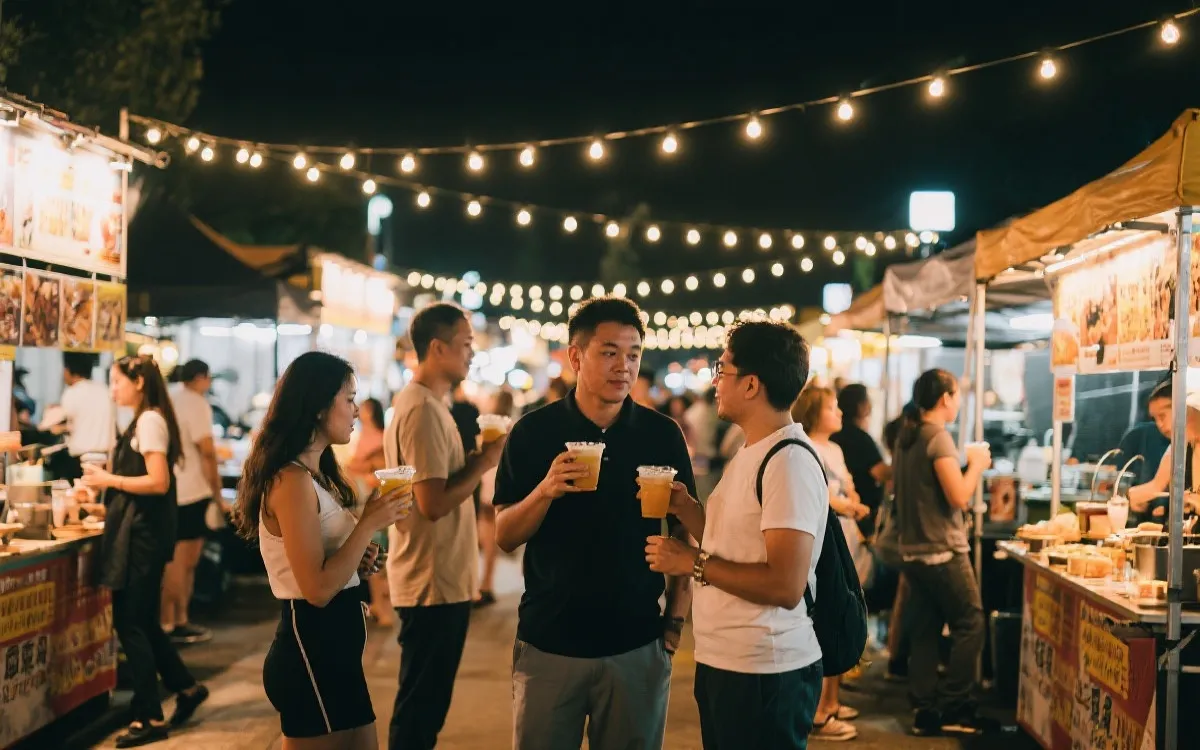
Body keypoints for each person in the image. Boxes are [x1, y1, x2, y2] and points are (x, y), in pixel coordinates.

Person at [494, 297, 695, 750]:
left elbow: (684, 531)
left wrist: (674, 621)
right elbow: (504, 535)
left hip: (637, 644)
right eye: (609, 352)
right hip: (549, 643)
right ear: (575, 356)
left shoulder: (661, 434)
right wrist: (545, 490)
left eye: (633, 354)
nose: (624, 366)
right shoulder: (533, 432)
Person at [644, 320, 827, 749]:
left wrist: (691, 563)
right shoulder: (752, 450)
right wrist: (687, 510)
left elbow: (785, 585)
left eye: (721, 369)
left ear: (751, 385)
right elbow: (734, 544)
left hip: (765, 669)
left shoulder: (788, 462)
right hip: (729, 660)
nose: (715, 381)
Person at [233, 352, 411, 749]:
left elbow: (324, 567)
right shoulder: (291, 480)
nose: (356, 410)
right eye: (349, 399)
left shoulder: (315, 475)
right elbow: (315, 589)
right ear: (317, 407)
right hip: (311, 652)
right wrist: (367, 523)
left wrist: (358, 561)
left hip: (335, 655)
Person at [386, 303, 504, 750]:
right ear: (437, 348)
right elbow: (432, 503)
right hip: (431, 580)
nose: (472, 353)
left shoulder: (430, 405)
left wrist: (472, 461)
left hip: (439, 577)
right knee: (420, 710)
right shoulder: (421, 409)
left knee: (425, 706)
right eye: (466, 344)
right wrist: (484, 463)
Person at [82, 356, 209, 748]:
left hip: (143, 540)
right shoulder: (144, 420)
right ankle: (186, 688)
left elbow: (157, 482)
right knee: (144, 622)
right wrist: (106, 505)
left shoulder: (150, 421)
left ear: (138, 382)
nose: (112, 389)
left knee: (130, 623)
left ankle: (149, 716)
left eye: (116, 381)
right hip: (141, 533)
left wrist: (108, 480)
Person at [893, 369, 993, 736]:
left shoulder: (907, 435)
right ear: (945, 398)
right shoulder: (937, 437)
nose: (959, 402)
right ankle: (955, 705)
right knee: (971, 623)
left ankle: (925, 709)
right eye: (957, 395)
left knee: (924, 630)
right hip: (942, 551)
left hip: (913, 551)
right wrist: (977, 465)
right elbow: (959, 496)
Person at [791, 385, 866, 742]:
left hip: (846, 537)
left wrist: (853, 500)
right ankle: (821, 711)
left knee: (841, 612)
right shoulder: (807, 448)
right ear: (812, 411)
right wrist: (848, 506)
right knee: (828, 616)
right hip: (826, 540)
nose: (839, 413)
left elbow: (848, 486)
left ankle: (832, 702)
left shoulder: (834, 448)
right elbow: (822, 497)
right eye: (831, 407)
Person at [162, 360, 222, 645]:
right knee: (183, 561)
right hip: (192, 491)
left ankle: (176, 620)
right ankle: (172, 621)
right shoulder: (196, 403)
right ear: (201, 378)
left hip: (174, 488)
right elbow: (207, 452)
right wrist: (218, 494)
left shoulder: (170, 397)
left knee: (178, 560)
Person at [345, 397, 393, 625]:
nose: (357, 410)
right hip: (364, 503)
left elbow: (378, 470)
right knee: (374, 555)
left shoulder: (379, 438)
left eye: (363, 407)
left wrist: (360, 470)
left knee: (375, 555)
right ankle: (380, 605)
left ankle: (383, 609)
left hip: (373, 504)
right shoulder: (364, 435)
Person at [833, 384, 890, 537]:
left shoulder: (837, 434)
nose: (870, 405)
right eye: (867, 400)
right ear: (859, 406)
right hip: (858, 510)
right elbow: (880, 472)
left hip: (843, 509)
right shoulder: (859, 438)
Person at [475, 389, 514, 607]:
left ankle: (485, 585)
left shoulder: (493, 426)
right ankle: (486, 584)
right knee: (489, 539)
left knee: (486, 536)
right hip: (498, 483)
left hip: (489, 482)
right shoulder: (512, 426)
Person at [55, 352, 115, 480]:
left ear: (68, 370)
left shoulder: (72, 392)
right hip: (106, 458)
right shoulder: (104, 389)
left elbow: (59, 422)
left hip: (80, 460)